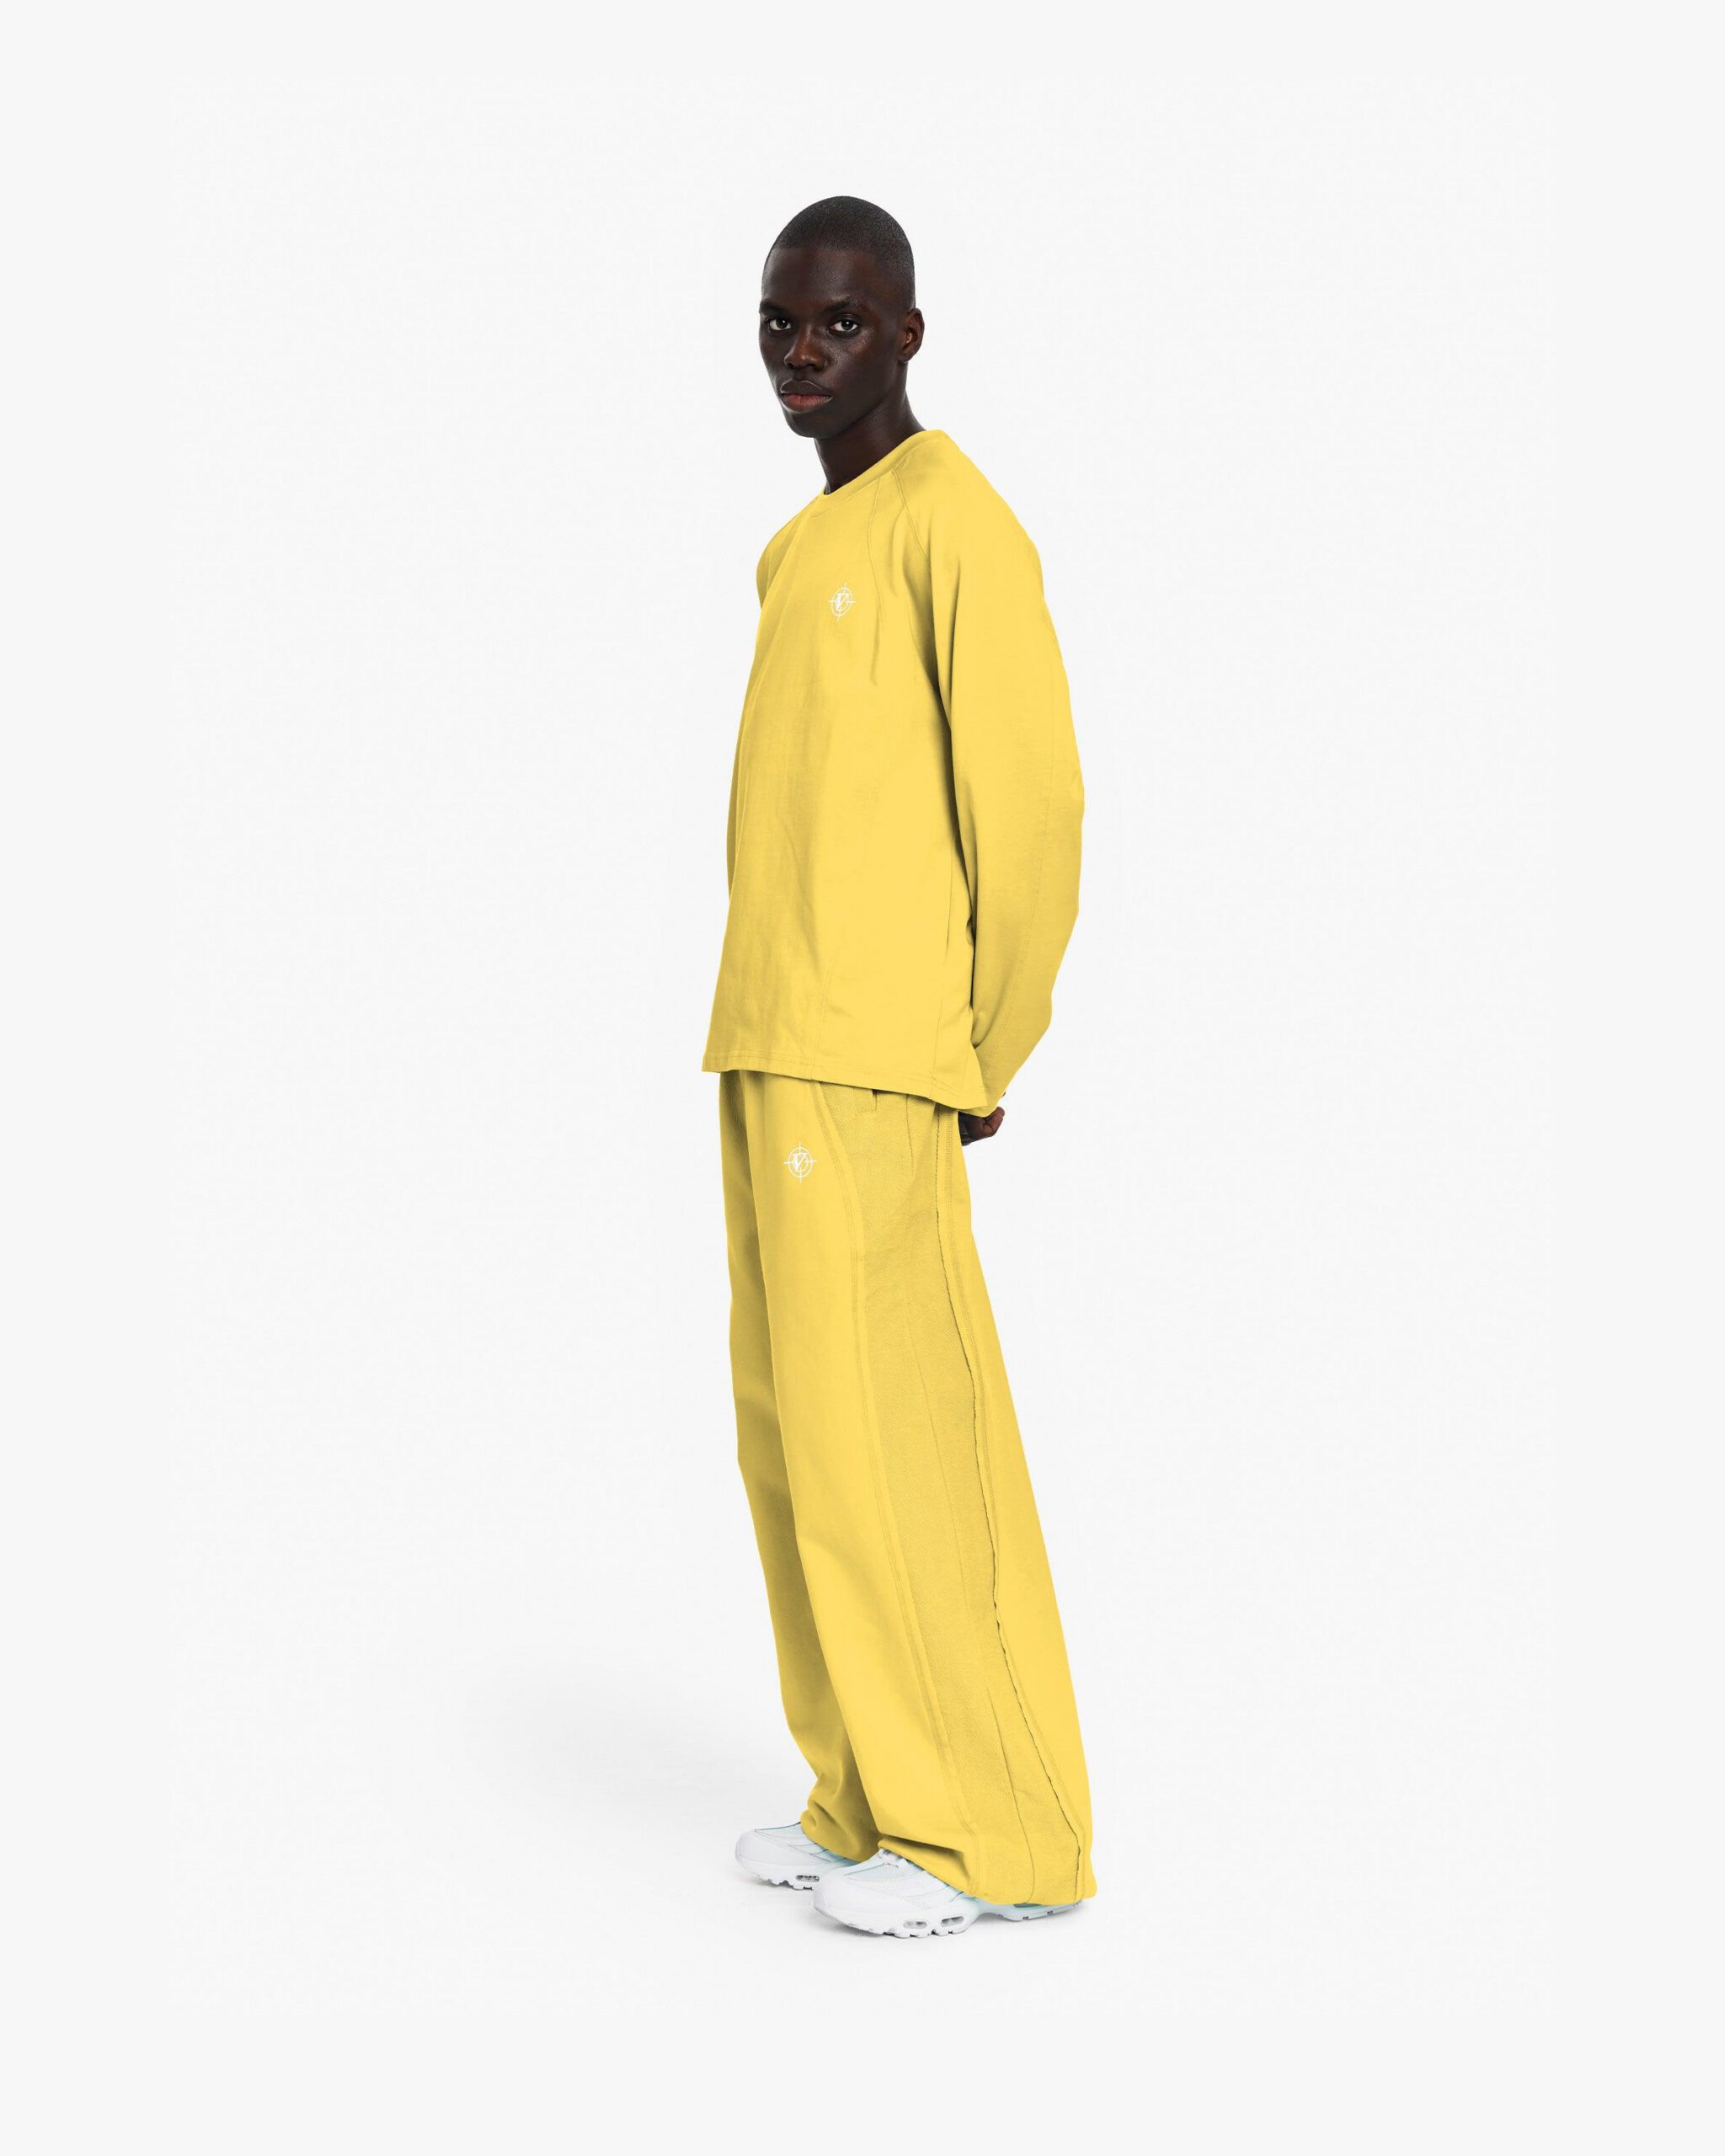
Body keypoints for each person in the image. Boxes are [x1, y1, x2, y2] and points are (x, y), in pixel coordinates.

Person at [707, 197, 1095, 1939]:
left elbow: (1032, 809)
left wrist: (983, 1041)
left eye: (842, 323)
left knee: (903, 1449)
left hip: (875, 1062)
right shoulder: (800, 549)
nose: (805, 352)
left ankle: (988, 1841)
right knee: (802, 1455)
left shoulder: (956, 522)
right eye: (782, 323)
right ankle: (862, 1797)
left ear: (909, 335)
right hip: (768, 1041)